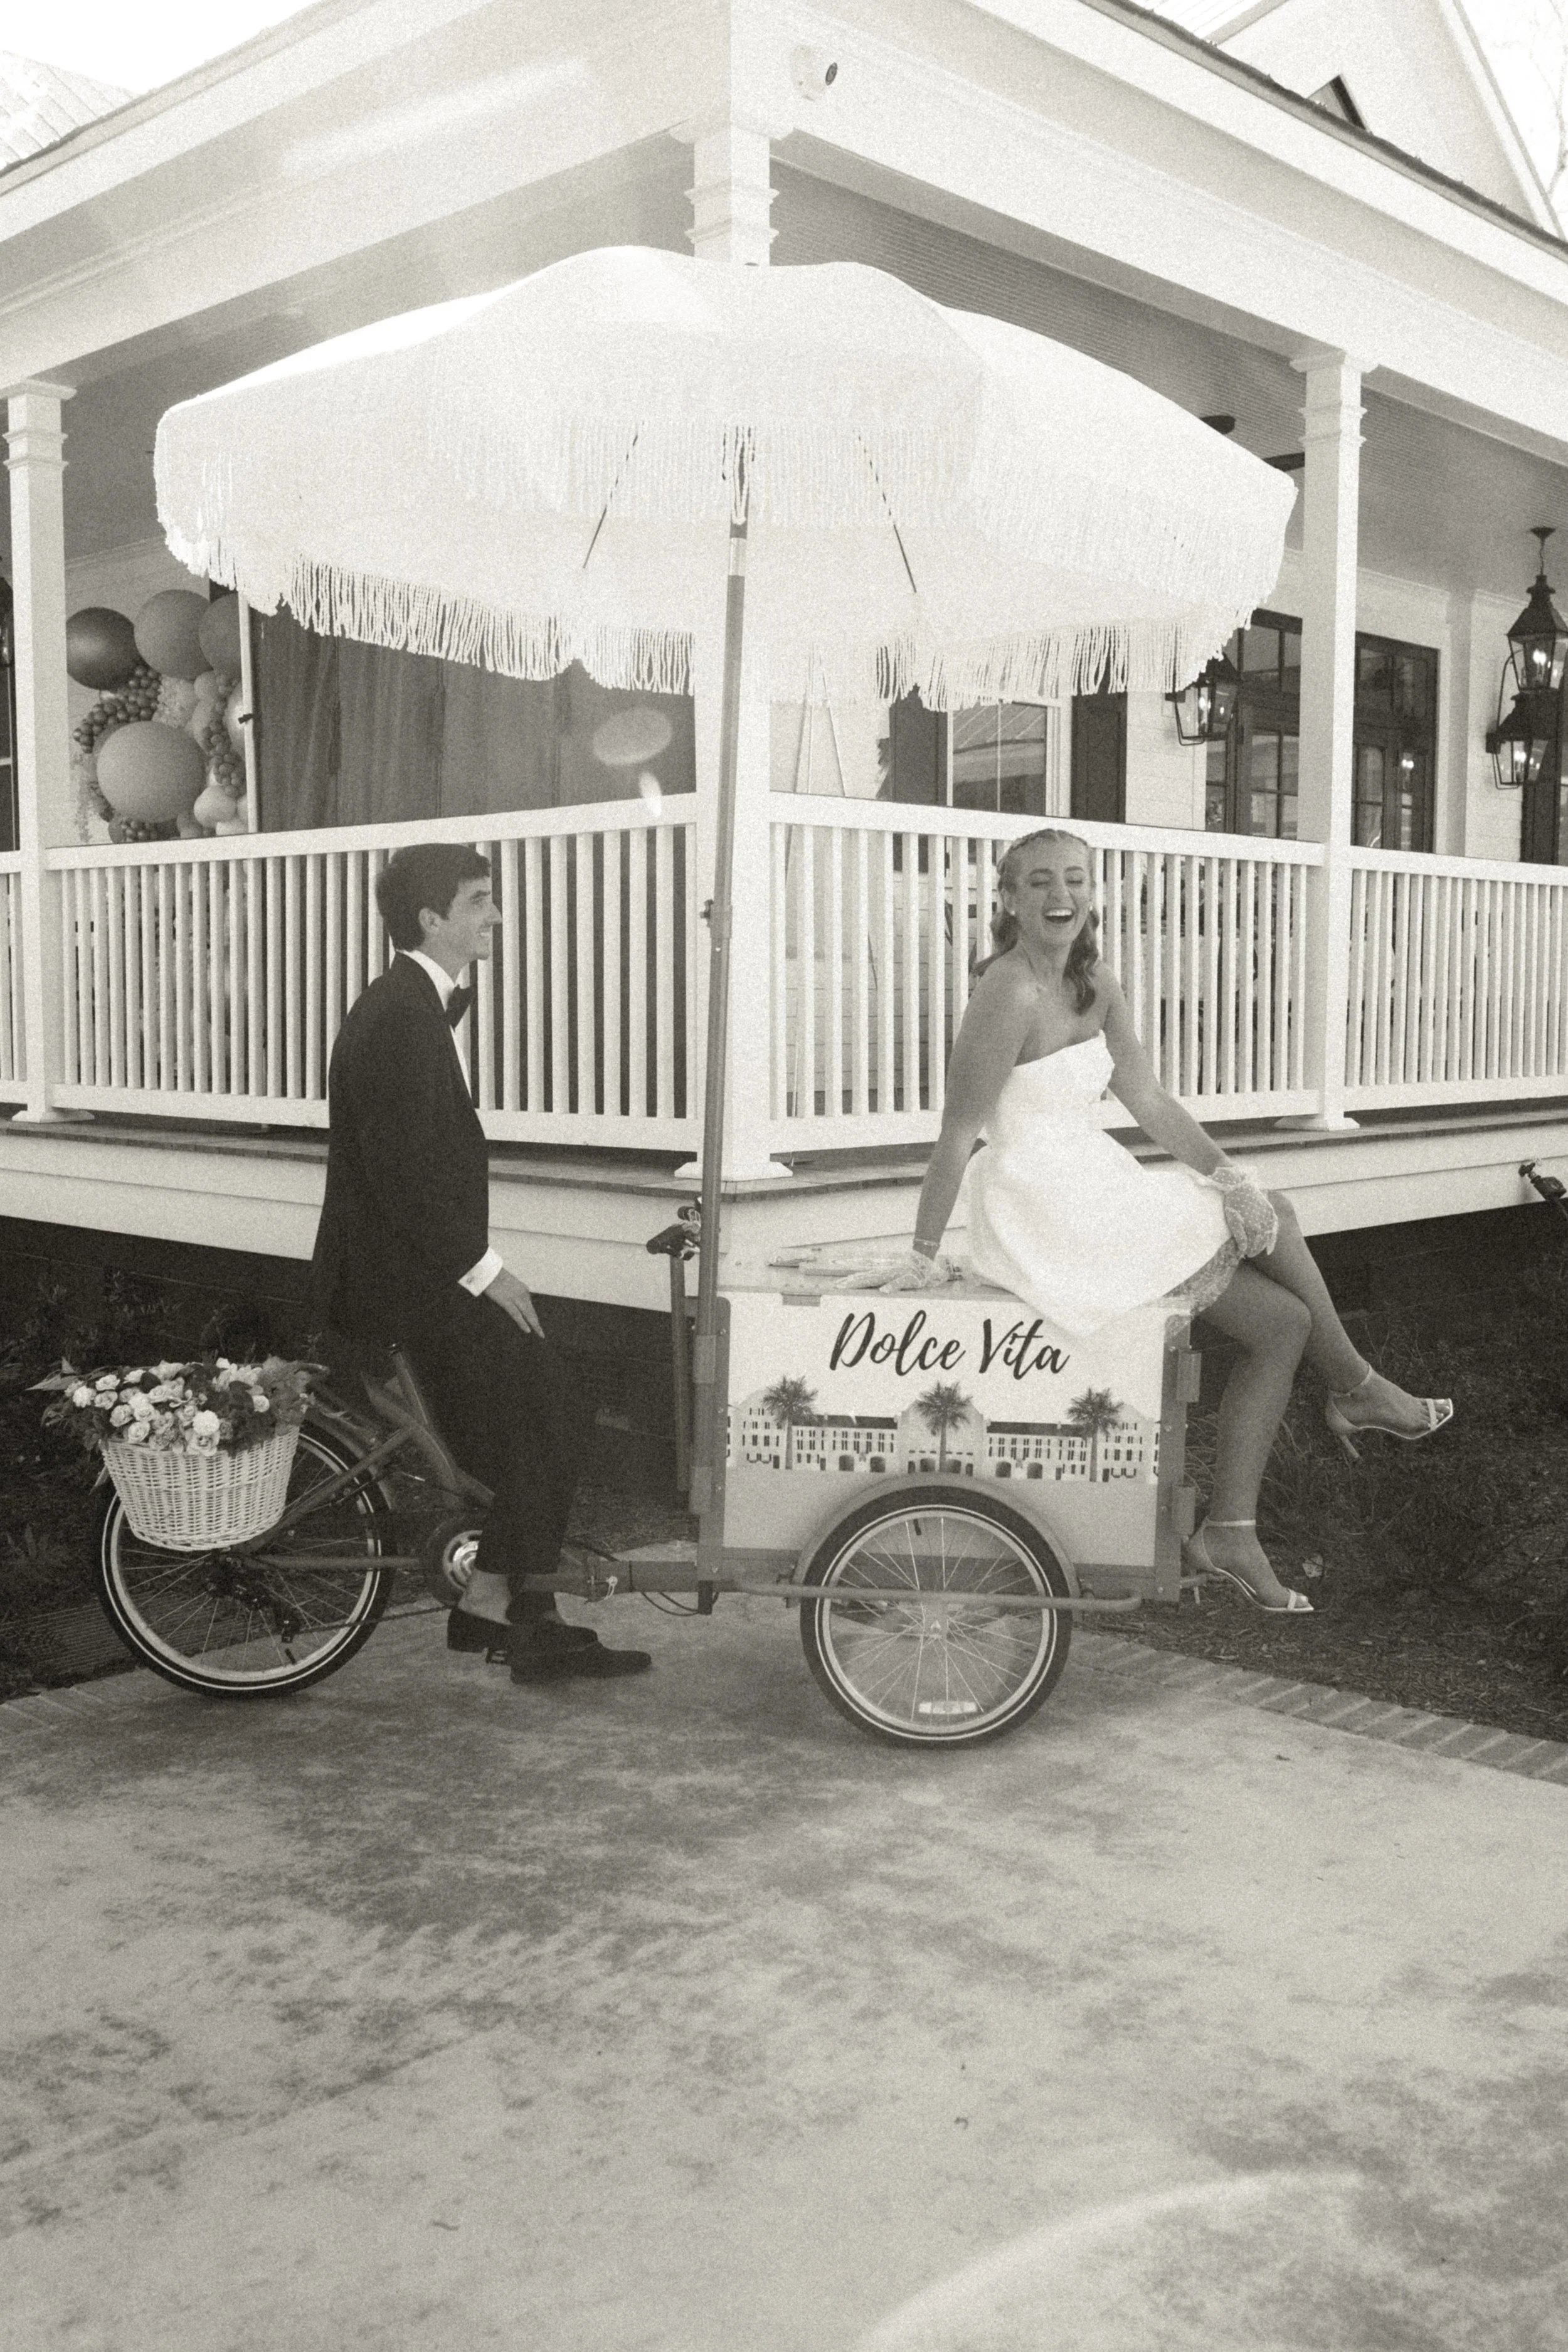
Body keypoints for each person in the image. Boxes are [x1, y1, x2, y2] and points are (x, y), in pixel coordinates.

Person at [901, 827, 1453, 1614]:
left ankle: (1230, 1531)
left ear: (1093, 892)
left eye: (1076, 880)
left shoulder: (1101, 986)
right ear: (1008, 900)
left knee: (1281, 1322)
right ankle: (1357, 1386)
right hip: (1042, 1206)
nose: (1061, 897)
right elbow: (958, 1133)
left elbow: (1149, 1102)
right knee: (1277, 1213)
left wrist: (1227, 1178)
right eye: (1039, 883)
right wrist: (922, 1256)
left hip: (1097, 1185)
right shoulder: (1006, 989)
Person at [310, 842, 650, 1682]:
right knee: (558, 1402)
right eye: (479, 900)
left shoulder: (416, 1006)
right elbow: (402, 1179)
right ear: (433, 919)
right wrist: (486, 1269)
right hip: (401, 1285)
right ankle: (497, 1596)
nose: (495, 914)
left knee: (536, 1412)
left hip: (420, 1271)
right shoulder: (397, 1017)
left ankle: (528, 1616)